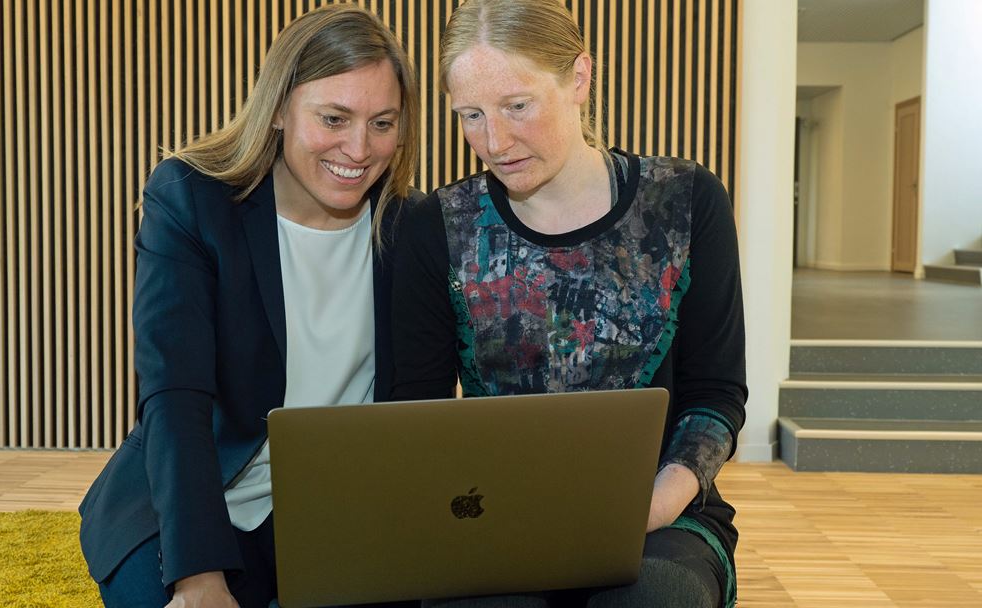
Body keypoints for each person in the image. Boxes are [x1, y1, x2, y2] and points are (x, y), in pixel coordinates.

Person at [390, 1, 746, 607]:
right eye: (470, 115)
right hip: (491, 511)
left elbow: (715, 393)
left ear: (580, 78)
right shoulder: (438, 225)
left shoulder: (686, 200)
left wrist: (658, 500)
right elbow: (415, 411)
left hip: (660, 513)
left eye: (517, 106)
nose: (494, 141)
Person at [78, 5, 420, 607]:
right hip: (188, 501)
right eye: (334, 118)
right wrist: (199, 576)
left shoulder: (407, 225)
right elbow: (176, 395)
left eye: (382, 122)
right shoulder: (191, 199)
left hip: (331, 515)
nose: (359, 148)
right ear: (281, 108)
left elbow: (418, 408)